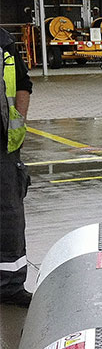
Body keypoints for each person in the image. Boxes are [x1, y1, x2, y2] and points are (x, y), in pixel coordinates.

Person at [1, 27, 32, 307]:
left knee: (9, 213)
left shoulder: (5, 42)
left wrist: (18, 124)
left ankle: (10, 285)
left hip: (3, 143)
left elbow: (24, 84)